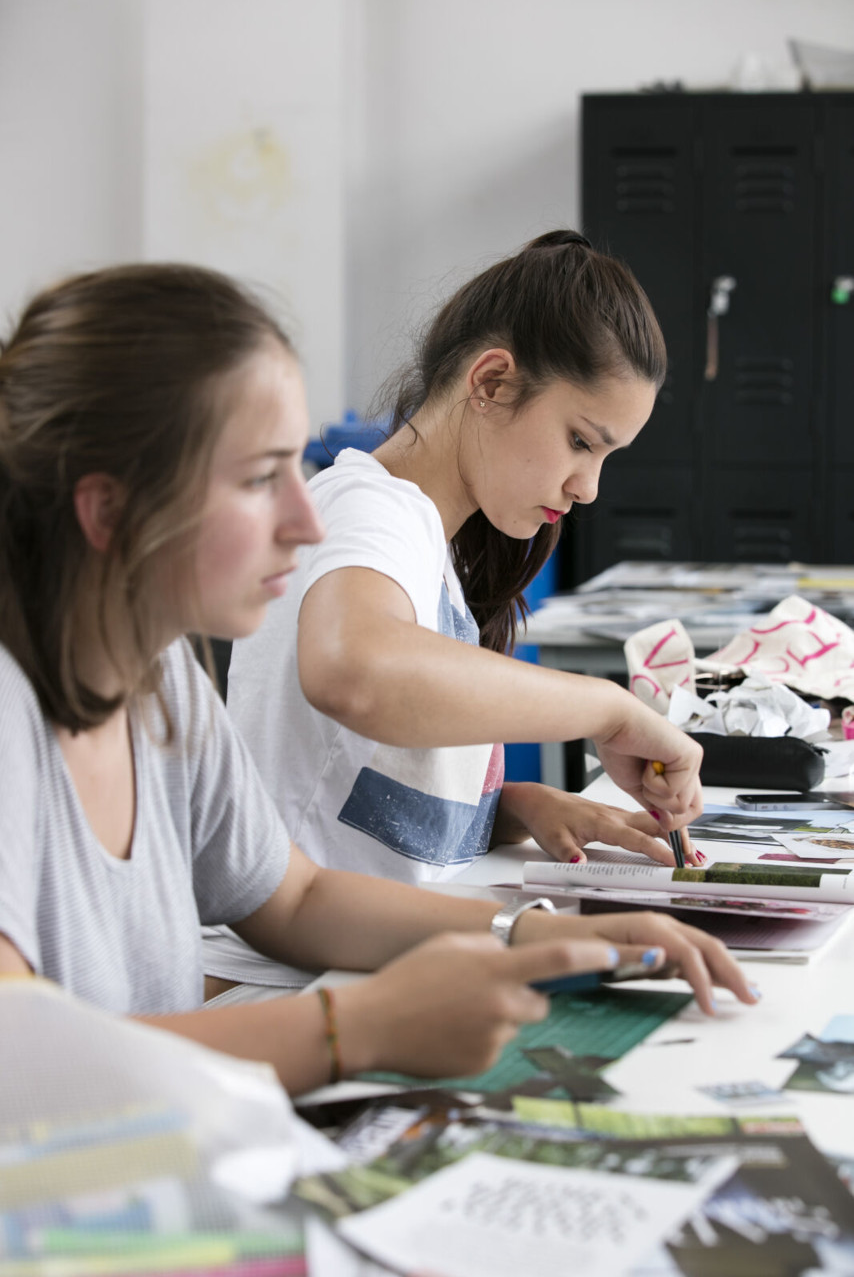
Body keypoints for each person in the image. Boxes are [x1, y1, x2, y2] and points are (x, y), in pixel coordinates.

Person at [0, 262, 756, 1098]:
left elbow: (296, 897)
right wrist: (354, 1028)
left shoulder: (161, 676)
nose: (305, 519)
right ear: (107, 510)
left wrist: (528, 931)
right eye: (261, 478)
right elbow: (21, 1064)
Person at [217, 230, 711, 990]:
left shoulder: (435, 548)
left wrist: (513, 805)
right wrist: (608, 711)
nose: (588, 488)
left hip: (360, 970)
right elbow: (355, 672)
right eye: (580, 441)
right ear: (492, 382)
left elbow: (350, 787)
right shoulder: (370, 509)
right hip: (284, 990)